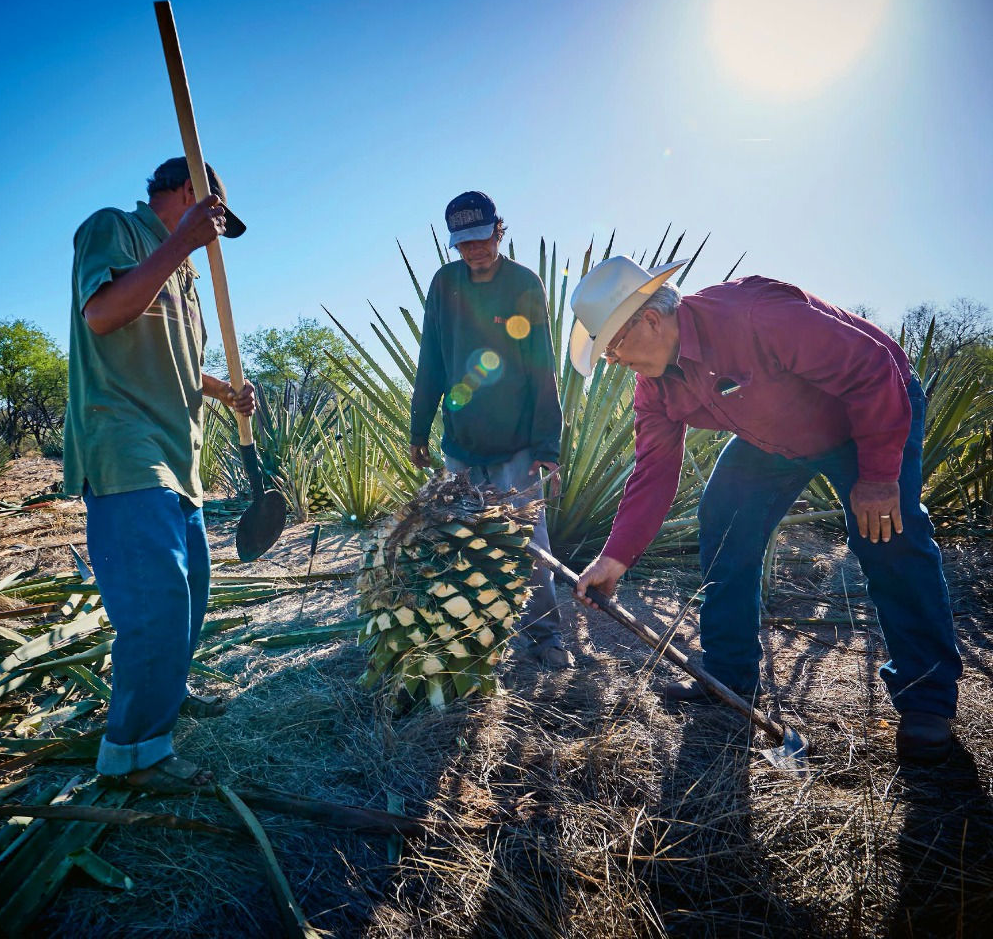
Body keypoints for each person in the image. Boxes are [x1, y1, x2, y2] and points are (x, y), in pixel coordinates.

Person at [570, 255, 962, 764]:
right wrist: (615, 557)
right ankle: (729, 678)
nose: (614, 361)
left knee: (888, 535)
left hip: (868, 408)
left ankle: (927, 700)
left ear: (649, 319)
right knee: (724, 519)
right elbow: (654, 471)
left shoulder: (752, 315)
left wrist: (881, 476)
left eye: (613, 346)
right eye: (604, 354)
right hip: (774, 437)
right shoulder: (654, 385)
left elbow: (871, 370)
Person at [64, 156, 256, 792]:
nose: (215, 236)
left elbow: (174, 357)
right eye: (215, 217)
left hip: (181, 452)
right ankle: (134, 752)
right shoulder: (113, 229)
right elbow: (103, 314)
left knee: (192, 592)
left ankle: (165, 693)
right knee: (158, 597)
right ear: (187, 190)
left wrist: (224, 391)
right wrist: (180, 243)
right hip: (124, 443)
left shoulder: (186, 273)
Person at [409, 190, 571, 668]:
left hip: (518, 444)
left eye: (482, 237)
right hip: (461, 444)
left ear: (499, 231)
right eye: (464, 242)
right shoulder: (444, 285)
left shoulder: (524, 283)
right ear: (453, 243)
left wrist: (548, 446)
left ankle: (545, 638)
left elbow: (543, 367)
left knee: (530, 547)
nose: (474, 249)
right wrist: (419, 429)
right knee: (461, 544)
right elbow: (430, 361)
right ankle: (478, 639)